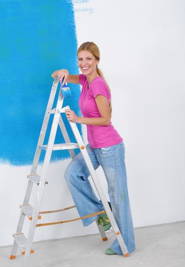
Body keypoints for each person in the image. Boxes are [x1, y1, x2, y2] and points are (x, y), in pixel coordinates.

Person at [51, 41, 135, 255]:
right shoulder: (85, 80)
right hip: (94, 146)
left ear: (97, 60)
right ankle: (100, 212)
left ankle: (126, 243)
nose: (84, 63)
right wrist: (61, 72)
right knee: (73, 174)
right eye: (80, 59)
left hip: (110, 147)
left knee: (118, 196)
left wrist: (78, 119)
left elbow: (106, 119)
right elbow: (58, 76)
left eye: (88, 59)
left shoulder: (97, 84)